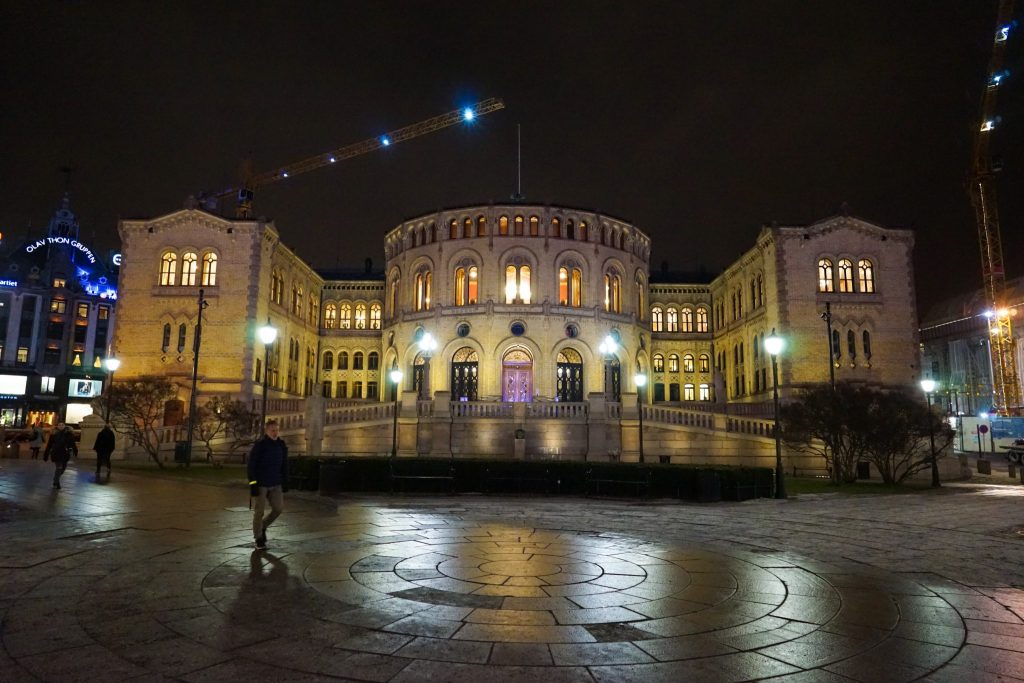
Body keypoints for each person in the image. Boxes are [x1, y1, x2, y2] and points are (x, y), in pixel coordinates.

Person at [247, 420, 289, 549]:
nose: (275, 432)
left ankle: (263, 526)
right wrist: (253, 484)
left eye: (277, 430)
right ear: (267, 431)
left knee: (278, 508)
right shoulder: (260, 445)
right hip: (261, 483)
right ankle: (259, 538)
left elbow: (285, 464)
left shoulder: (281, 445)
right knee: (259, 512)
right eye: (272, 430)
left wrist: (285, 480)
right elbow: (251, 465)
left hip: (276, 483)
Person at [43, 422, 78, 489]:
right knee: (59, 467)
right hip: (56, 453)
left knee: (63, 468)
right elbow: (49, 445)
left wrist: (75, 451)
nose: (61, 426)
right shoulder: (53, 434)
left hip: (65, 453)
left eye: (62, 425)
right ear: (57, 426)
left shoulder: (69, 434)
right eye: (59, 425)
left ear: (65, 426)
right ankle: (56, 482)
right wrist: (46, 455)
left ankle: (56, 479)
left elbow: (72, 443)